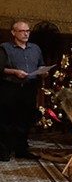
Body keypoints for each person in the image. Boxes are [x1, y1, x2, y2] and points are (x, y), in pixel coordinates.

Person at [1, 20, 48, 160]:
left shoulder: (35, 48)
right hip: (10, 88)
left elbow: (41, 65)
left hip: (29, 88)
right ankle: (4, 151)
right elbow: (1, 68)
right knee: (7, 120)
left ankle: (22, 150)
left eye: (28, 31)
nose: (26, 33)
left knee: (25, 120)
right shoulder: (5, 48)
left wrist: (44, 72)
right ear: (13, 33)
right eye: (22, 31)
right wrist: (14, 72)